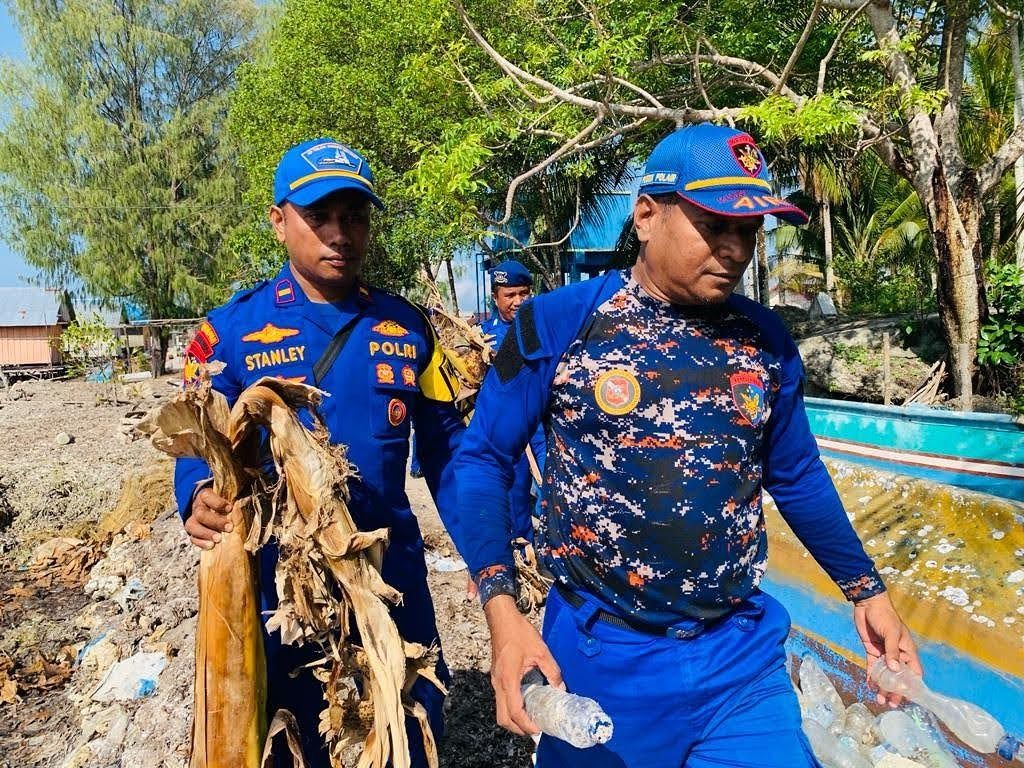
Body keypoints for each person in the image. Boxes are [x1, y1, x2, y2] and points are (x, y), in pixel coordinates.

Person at [451, 123, 921, 768]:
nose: (733, 249)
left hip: (738, 655)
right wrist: (502, 612)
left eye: (748, 231)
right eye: (714, 224)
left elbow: (797, 474)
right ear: (647, 215)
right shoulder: (557, 324)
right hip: (603, 657)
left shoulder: (765, 340)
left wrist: (866, 590)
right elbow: (480, 459)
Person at [173, 138, 465, 767]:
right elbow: (197, 434)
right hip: (285, 589)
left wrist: (497, 562)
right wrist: (197, 491)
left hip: (391, 579)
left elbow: (453, 460)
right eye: (319, 216)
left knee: (403, 735)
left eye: (354, 216)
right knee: (292, 739)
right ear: (279, 221)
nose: (340, 234)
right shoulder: (230, 332)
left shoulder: (407, 328)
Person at [479, 259, 546, 542]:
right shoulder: (481, 337)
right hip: (506, 432)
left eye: (524, 293)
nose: (518, 301)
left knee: (553, 489)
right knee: (514, 496)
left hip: (541, 429)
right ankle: (522, 554)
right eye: (510, 295)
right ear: (495, 297)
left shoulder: (542, 329)